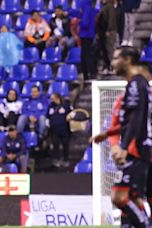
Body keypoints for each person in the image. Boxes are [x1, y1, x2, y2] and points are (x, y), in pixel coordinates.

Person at [92, 46, 150, 227]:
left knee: (118, 196)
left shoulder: (135, 84)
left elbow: (136, 117)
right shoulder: (136, 85)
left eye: (117, 58)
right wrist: (107, 133)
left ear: (128, 60)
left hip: (137, 149)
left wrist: (124, 147)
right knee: (134, 197)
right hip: (140, 149)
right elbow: (130, 120)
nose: (113, 63)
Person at [46, 93, 72, 168]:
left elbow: (72, 113)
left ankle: (66, 160)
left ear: (57, 98)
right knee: (55, 145)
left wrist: (70, 116)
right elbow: (47, 116)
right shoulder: (50, 107)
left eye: (52, 98)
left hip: (64, 129)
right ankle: (57, 160)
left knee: (65, 145)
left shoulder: (66, 106)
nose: (51, 100)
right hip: (54, 130)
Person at [79, 0, 98, 80]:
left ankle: (86, 74)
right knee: (90, 54)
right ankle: (91, 73)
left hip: (85, 35)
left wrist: (79, 23)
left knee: (85, 56)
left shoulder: (86, 9)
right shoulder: (92, 9)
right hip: (91, 35)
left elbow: (84, 23)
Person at [97, 0, 117, 74]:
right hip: (103, 32)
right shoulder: (104, 7)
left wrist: (109, 29)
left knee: (110, 50)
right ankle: (108, 66)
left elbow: (111, 19)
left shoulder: (110, 7)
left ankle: (113, 67)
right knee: (105, 50)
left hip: (109, 32)